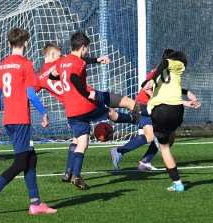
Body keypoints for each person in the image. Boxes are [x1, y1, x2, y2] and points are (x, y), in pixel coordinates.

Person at [0, 28, 57, 215]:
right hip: (21, 119)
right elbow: (31, 94)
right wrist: (44, 112)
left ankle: (35, 204)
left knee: (31, 159)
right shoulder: (26, 64)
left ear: (9, 44)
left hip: (8, 120)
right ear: (26, 43)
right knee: (20, 162)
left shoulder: (2, 65)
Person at [36, 43, 140, 184]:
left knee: (78, 140)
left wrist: (42, 111)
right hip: (86, 99)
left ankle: (69, 171)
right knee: (110, 109)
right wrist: (97, 60)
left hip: (72, 109)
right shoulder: (62, 62)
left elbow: (30, 93)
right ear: (53, 55)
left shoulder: (40, 77)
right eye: (59, 55)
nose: (61, 57)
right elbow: (79, 61)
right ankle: (135, 117)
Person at [110, 49, 201, 171]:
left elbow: (169, 88)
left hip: (156, 107)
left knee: (167, 137)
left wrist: (186, 92)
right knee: (150, 136)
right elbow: (145, 86)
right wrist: (160, 99)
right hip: (145, 105)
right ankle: (119, 151)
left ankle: (145, 161)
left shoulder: (169, 72)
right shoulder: (157, 71)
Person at [142, 51, 197, 192]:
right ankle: (177, 183)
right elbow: (167, 63)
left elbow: (144, 84)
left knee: (165, 148)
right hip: (175, 112)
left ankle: (177, 183)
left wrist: (153, 81)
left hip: (160, 112)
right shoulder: (176, 65)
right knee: (166, 144)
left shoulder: (158, 71)